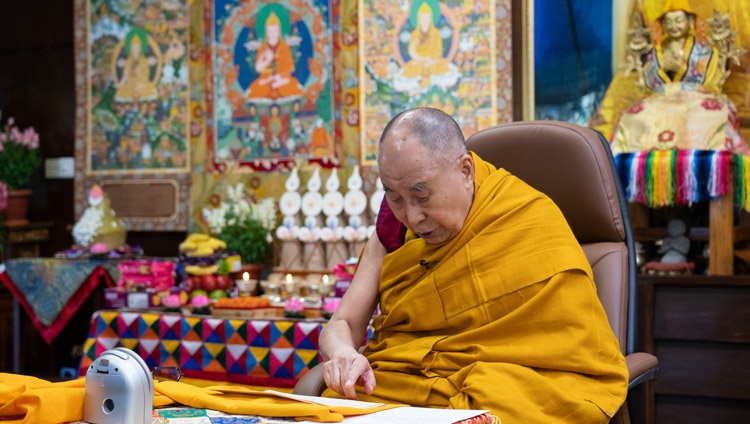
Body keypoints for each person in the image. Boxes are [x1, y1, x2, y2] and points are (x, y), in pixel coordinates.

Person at [319, 107, 629, 422]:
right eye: (395, 198)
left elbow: (573, 355)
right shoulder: (392, 231)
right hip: (403, 384)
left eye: (421, 196)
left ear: (466, 171)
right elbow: (341, 324)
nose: (412, 217)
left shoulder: (530, 218)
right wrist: (344, 352)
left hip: (498, 388)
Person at [593, 0, 749, 154]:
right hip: (660, 100)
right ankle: (631, 163)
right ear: (663, 25)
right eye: (669, 22)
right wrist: (661, 69)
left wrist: (681, 68)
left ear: (690, 21)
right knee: (633, 118)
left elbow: (710, 80)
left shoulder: (702, 51)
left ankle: (711, 161)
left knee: (711, 116)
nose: (674, 26)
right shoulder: (658, 52)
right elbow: (648, 83)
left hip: (694, 99)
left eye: (678, 21)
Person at [247, 10, 304, 100]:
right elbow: (258, 68)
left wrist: (280, 77)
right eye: (270, 31)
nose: (273, 34)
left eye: (275, 30)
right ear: (266, 32)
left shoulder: (285, 47)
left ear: (279, 31)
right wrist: (267, 60)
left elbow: (291, 67)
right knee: (255, 88)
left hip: (282, 81)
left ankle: (278, 85)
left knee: (293, 85)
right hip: (266, 81)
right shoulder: (262, 48)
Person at [401, 0, 450, 80]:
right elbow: (412, 51)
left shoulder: (436, 33)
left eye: (427, 18)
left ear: (430, 18)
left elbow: (438, 51)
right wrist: (420, 58)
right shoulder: (415, 34)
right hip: (419, 61)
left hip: (432, 61)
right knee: (410, 67)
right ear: (418, 19)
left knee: (442, 64)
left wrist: (430, 59)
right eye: (422, 18)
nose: (424, 20)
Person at [115, 31, 160, 102]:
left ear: (141, 48)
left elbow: (145, 74)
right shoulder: (129, 60)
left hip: (142, 83)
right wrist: (121, 84)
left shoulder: (143, 60)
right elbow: (125, 75)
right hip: (130, 84)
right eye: (133, 48)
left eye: (137, 48)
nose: (135, 50)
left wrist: (141, 83)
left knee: (150, 90)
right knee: (121, 92)